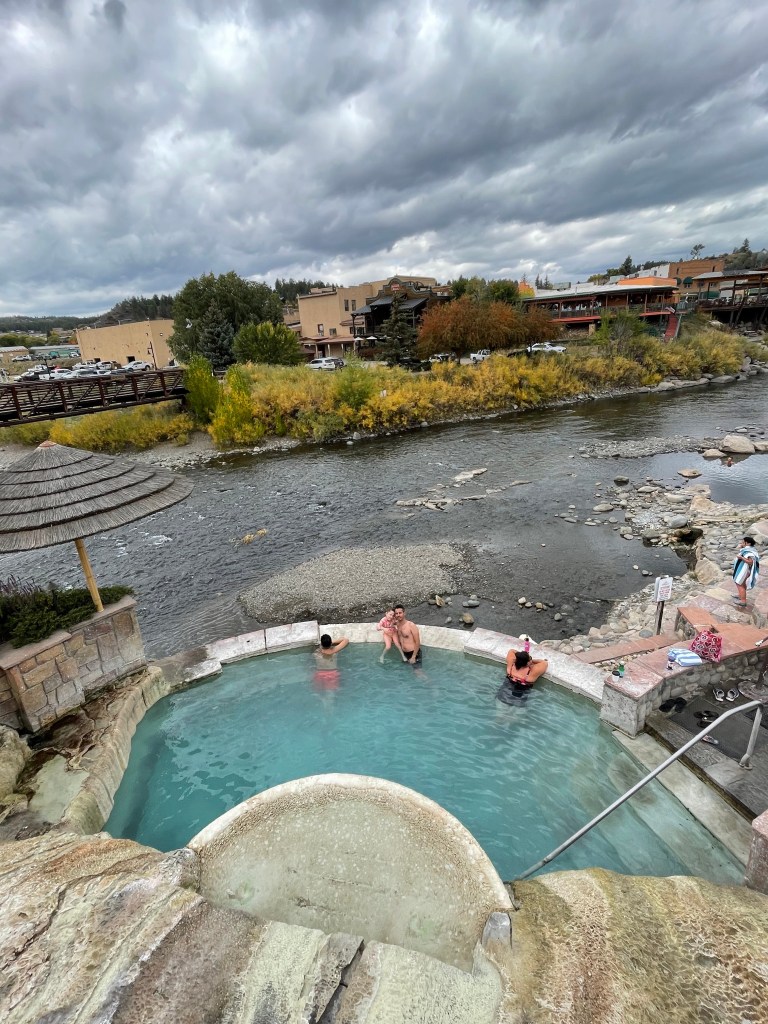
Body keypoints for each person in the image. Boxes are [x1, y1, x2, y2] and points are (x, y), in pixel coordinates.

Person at [732, 536, 760, 607]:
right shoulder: (750, 549)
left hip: (744, 571)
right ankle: (741, 595)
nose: (741, 542)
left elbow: (750, 562)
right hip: (745, 570)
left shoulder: (749, 551)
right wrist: (741, 547)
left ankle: (743, 601)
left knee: (739, 583)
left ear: (748, 543)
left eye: (743, 542)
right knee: (742, 583)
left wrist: (741, 558)